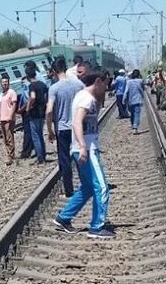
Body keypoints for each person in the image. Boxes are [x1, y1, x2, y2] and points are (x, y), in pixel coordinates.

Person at [53, 70, 114, 239]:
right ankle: (97, 226)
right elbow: (77, 122)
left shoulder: (87, 96)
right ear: (97, 81)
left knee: (88, 188)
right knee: (101, 186)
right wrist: (82, 147)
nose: (107, 86)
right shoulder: (86, 99)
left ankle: (64, 218)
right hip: (86, 149)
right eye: (105, 83)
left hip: (85, 148)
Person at [46, 57, 85, 198]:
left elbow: (49, 110)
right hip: (78, 126)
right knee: (80, 157)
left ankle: (69, 191)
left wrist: (49, 130)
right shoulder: (79, 85)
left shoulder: (54, 88)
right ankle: (86, 186)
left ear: (54, 71)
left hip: (62, 128)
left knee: (64, 160)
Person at [26, 67, 48, 165]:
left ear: (27, 76)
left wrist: (28, 107)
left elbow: (33, 97)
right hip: (42, 112)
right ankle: (43, 154)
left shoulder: (32, 86)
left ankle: (40, 158)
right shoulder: (42, 84)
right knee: (40, 135)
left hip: (34, 113)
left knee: (35, 136)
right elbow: (46, 97)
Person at [0, 77, 18, 165]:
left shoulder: (12, 92)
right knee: (5, 138)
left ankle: (11, 156)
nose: (4, 83)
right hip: (2, 118)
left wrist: (11, 116)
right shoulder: (1, 94)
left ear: (8, 83)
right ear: (0, 84)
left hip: (9, 118)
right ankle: (8, 154)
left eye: (6, 82)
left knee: (9, 137)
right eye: (3, 82)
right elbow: (0, 106)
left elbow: (14, 104)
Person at [123, 69, 145, 135]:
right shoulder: (141, 81)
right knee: (137, 114)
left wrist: (123, 99)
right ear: (139, 75)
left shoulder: (129, 82)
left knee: (132, 114)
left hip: (130, 101)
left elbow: (126, 91)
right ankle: (135, 127)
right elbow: (143, 89)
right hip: (138, 100)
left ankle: (133, 126)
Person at [17, 76, 34, 159]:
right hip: (26, 112)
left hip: (27, 112)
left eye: (23, 82)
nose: (22, 84)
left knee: (28, 132)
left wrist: (21, 109)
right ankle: (30, 148)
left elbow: (28, 100)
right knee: (29, 131)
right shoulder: (25, 89)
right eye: (21, 82)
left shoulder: (27, 88)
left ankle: (26, 152)